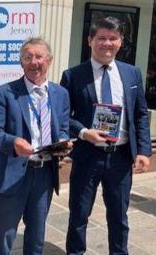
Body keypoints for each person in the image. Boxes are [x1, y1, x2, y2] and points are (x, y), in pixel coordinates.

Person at [60, 16, 151, 255]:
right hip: (87, 155)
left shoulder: (132, 74)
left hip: (120, 157)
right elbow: (62, 116)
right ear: (90, 40)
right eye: (101, 38)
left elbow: (141, 114)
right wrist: (83, 132)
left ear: (121, 42)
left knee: (119, 217)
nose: (106, 43)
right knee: (79, 215)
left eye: (113, 38)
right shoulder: (73, 75)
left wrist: (143, 150)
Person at [0, 37, 72, 255]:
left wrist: (63, 142)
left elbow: (62, 127)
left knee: (36, 237)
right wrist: (13, 143)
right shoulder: (6, 92)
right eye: (28, 57)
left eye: (39, 56)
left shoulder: (60, 94)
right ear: (21, 63)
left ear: (49, 60)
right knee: (4, 236)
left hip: (44, 175)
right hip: (13, 172)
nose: (34, 62)